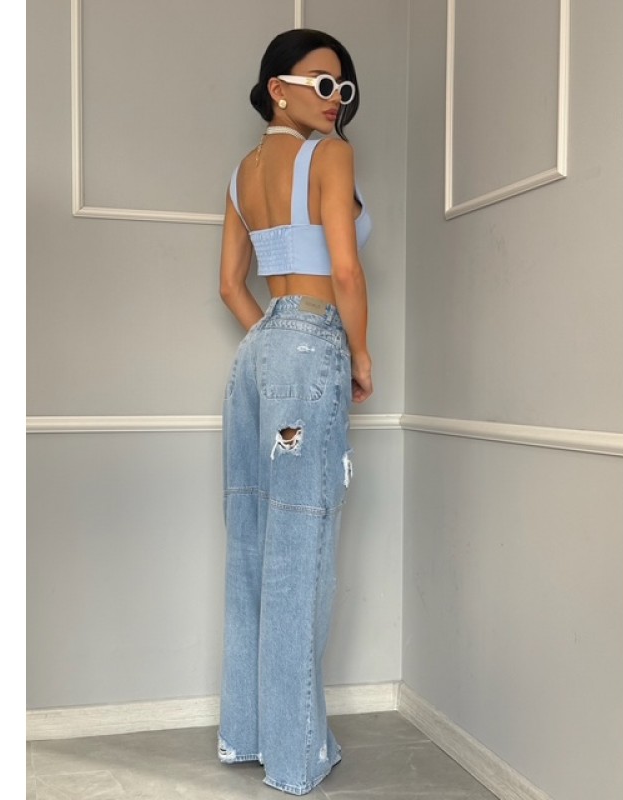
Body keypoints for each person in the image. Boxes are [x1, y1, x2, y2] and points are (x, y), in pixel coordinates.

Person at [216, 28, 373, 796]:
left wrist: (272, 344)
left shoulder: (241, 175)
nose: (335, 99)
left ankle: (247, 736)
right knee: (299, 542)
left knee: (254, 538)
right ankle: (295, 755)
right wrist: (360, 354)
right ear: (277, 88)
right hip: (309, 358)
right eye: (321, 83)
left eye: (342, 88)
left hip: (257, 364)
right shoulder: (331, 157)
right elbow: (344, 268)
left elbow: (230, 286)